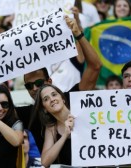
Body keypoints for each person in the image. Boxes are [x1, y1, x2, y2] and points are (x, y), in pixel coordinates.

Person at [16, 15, 102, 153]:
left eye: (38, 82)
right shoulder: (28, 114)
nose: (34, 88)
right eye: (28, 86)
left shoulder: (72, 98)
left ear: (49, 81)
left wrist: (78, 35)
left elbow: (95, 67)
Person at [33, 84, 74, 167]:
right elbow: (44, 162)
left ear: (62, 98)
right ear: (44, 109)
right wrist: (65, 135)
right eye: (46, 99)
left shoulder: (81, 112)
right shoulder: (51, 128)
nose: (52, 99)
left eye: (54, 94)